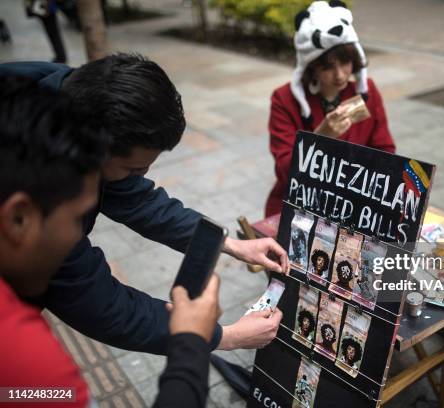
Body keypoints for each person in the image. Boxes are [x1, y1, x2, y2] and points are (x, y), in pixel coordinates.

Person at [0, 54, 288, 357]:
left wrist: (229, 244)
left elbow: (139, 200)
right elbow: (93, 299)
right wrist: (220, 336)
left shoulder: (76, 98)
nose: (141, 177)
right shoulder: (39, 182)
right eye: (133, 169)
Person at [0, 78, 220, 407]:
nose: (79, 238)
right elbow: (96, 299)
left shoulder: (58, 108)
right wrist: (191, 343)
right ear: (18, 218)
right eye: (78, 217)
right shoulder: (31, 367)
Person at [265, 0, 396, 216]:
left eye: (345, 63)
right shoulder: (285, 99)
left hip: (354, 204)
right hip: (300, 204)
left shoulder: (366, 91)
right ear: (311, 66)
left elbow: (386, 152)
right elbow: (284, 170)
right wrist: (319, 138)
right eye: (327, 67)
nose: (340, 75)